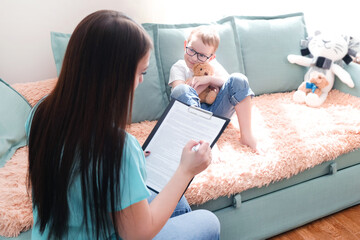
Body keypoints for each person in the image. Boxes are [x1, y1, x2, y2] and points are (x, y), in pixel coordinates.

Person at [26, 10, 220, 239]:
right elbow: (138, 235)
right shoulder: (117, 147)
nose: (141, 80)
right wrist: (186, 170)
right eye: (141, 72)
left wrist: (131, 162)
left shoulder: (41, 113)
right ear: (114, 77)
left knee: (175, 201)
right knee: (208, 222)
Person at [169, 25, 259, 151]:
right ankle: (204, 137)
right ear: (185, 45)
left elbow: (229, 83)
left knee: (239, 79)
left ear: (211, 57)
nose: (194, 58)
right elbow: (179, 95)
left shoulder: (212, 65)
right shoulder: (178, 67)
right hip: (191, 117)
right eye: (191, 50)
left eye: (201, 55)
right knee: (182, 90)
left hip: (216, 112)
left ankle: (247, 135)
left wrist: (209, 79)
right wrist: (204, 85)